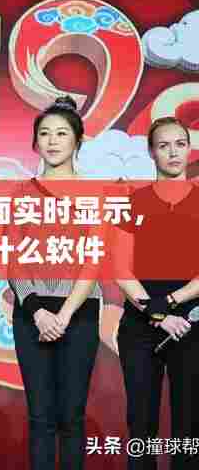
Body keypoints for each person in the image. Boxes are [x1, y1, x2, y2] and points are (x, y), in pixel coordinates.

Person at [8, 96, 102, 470]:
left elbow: (94, 259)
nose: (52, 141)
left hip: (78, 314)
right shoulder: (22, 193)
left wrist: (63, 315)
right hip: (31, 315)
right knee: (40, 417)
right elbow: (13, 258)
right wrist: (37, 312)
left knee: (72, 417)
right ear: (35, 142)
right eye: (45, 133)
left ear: (78, 140)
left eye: (62, 133)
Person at [114, 116, 199, 470]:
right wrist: (156, 312)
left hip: (191, 324)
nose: (173, 152)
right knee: (141, 423)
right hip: (140, 326)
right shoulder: (132, 203)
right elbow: (120, 268)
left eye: (180, 144)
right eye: (163, 146)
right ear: (151, 153)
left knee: (189, 425)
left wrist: (172, 302)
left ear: (189, 148)